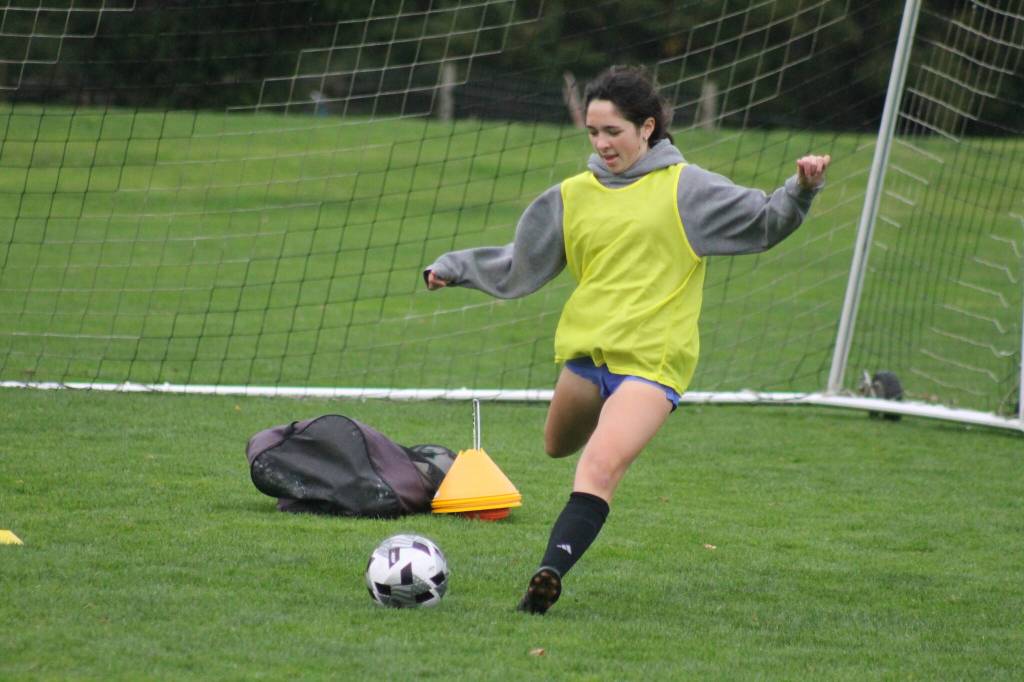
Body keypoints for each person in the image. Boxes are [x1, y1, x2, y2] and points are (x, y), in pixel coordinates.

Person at [423, 65, 831, 615]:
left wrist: (801, 189)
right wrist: (454, 268)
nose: (602, 143)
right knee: (555, 445)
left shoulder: (687, 188)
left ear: (648, 127)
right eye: (593, 133)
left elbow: (763, 219)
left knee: (598, 467)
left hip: (651, 364)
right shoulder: (571, 196)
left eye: (613, 131)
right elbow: (520, 263)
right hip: (586, 357)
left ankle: (548, 573)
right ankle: (569, 509)